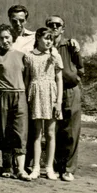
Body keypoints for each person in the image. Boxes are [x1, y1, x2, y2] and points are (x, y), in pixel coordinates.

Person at [0, 24, 31, 181]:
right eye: (1, 38)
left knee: (20, 132)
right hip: (1, 96)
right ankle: (7, 166)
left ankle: (20, 169)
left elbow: (27, 78)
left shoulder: (22, 55)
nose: (5, 40)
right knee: (4, 132)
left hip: (19, 95)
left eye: (7, 37)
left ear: (13, 37)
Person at [26, 27, 63, 181]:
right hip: (35, 93)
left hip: (51, 94)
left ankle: (49, 167)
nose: (49, 41)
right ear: (38, 38)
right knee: (36, 132)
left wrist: (59, 101)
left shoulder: (55, 56)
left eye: (51, 39)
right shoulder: (29, 56)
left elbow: (59, 79)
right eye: (46, 38)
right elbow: (27, 78)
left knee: (50, 133)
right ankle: (35, 167)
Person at [49, 16, 83, 182]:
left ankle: (68, 169)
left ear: (63, 28)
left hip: (69, 91)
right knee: (52, 129)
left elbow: (81, 67)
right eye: (51, 25)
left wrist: (75, 78)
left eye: (58, 25)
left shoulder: (70, 45)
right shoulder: (43, 44)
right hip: (50, 91)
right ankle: (53, 166)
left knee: (71, 130)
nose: (54, 27)